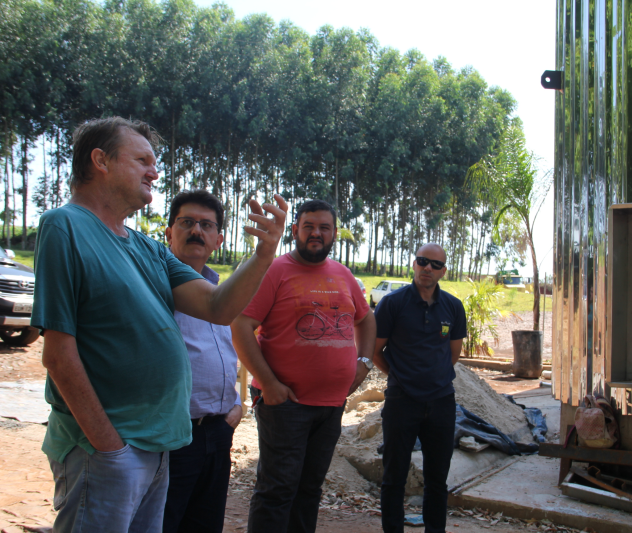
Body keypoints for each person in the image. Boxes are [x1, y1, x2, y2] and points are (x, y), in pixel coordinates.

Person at [31, 117, 288, 533]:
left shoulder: (147, 248)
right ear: (101, 161)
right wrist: (109, 446)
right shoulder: (65, 225)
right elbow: (58, 355)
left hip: (158, 445)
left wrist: (263, 254)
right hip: (107, 448)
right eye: (143, 161)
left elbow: (219, 307)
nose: (154, 172)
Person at [231, 199, 376, 533]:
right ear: (295, 230)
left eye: (324, 227)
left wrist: (365, 363)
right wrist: (269, 383)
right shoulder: (275, 271)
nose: (316, 233)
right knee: (277, 490)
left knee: (309, 490)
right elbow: (240, 326)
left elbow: (366, 319)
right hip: (285, 405)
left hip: (331, 406)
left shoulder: (343, 274)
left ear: (334, 233)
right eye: (308, 226)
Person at [161, 190, 243, 533]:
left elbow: (224, 352)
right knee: (162, 523)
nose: (197, 230)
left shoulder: (219, 289)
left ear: (218, 240)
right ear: (169, 232)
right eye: (187, 222)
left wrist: (236, 404)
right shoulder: (154, 284)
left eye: (206, 225)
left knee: (205, 525)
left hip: (217, 433)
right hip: (171, 436)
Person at [372, 243, 467, 533]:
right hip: (402, 401)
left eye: (435, 264)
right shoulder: (392, 303)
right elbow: (375, 351)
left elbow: (453, 354)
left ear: (443, 271)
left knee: (437, 479)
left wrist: (433, 378)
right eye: (423, 261)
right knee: (394, 477)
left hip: (441, 402)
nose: (428, 268)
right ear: (414, 263)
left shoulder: (453, 307)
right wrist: (400, 376)